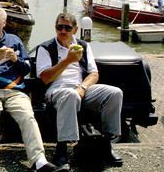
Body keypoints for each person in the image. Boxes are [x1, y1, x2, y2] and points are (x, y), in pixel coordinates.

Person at [0, 6, 69, 172]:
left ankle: (39, 161)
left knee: (27, 116)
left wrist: (16, 60)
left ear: (4, 23)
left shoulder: (14, 41)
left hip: (15, 91)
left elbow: (26, 69)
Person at [36, 12, 123, 167]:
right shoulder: (45, 48)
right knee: (70, 95)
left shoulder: (83, 46)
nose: (63, 31)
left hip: (81, 88)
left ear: (75, 30)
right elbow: (45, 78)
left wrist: (83, 87)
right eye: (59, 27)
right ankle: (62, 148)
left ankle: (107, 143)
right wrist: (68, 60)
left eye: (67, 28)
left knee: (115, 93)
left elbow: (94, 74)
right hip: (57, 89)